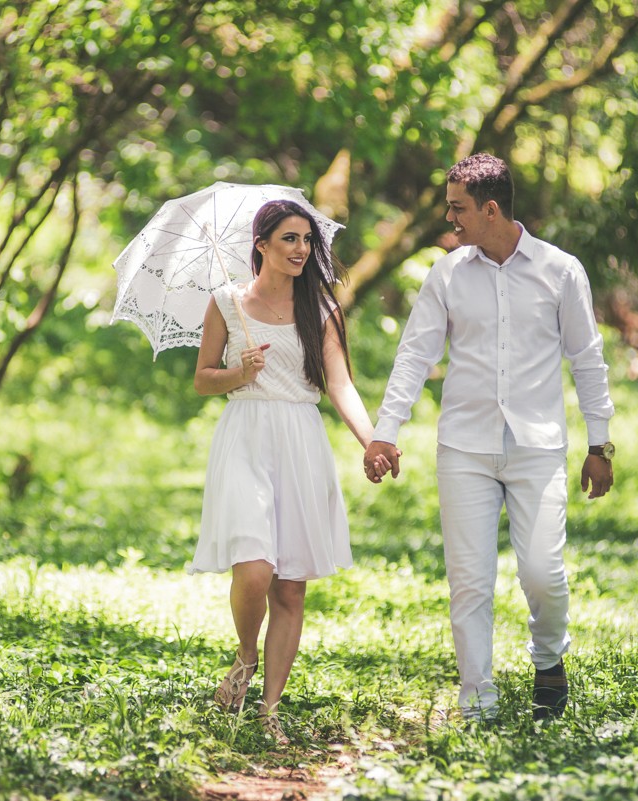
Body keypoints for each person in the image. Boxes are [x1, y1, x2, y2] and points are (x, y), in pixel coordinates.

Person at [363, 153, 615, 723]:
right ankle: (477, 702)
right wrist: (385, 432)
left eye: (457, 208)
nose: (449, 218)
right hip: (465, 448)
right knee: (469, 584)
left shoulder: (560, 271)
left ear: (491, 209)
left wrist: (600, 444)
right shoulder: (447, 274)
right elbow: (415, 356)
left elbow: (587, 358)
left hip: (537, 448)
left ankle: (548, 660)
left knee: (543, 574)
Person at [190, 199, 390, 746]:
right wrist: (238, 372)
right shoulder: (226, 302)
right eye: (289, 239)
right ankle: (245, 656)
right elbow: (203, 379)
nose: (301, 249)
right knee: (254, 570)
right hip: (245, 437)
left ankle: (269, 710)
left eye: (307, 240)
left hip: (300, 441)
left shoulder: (321, 309)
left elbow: (339, 383)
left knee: (290, 589)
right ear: (261, 245)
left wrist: (372, 440)